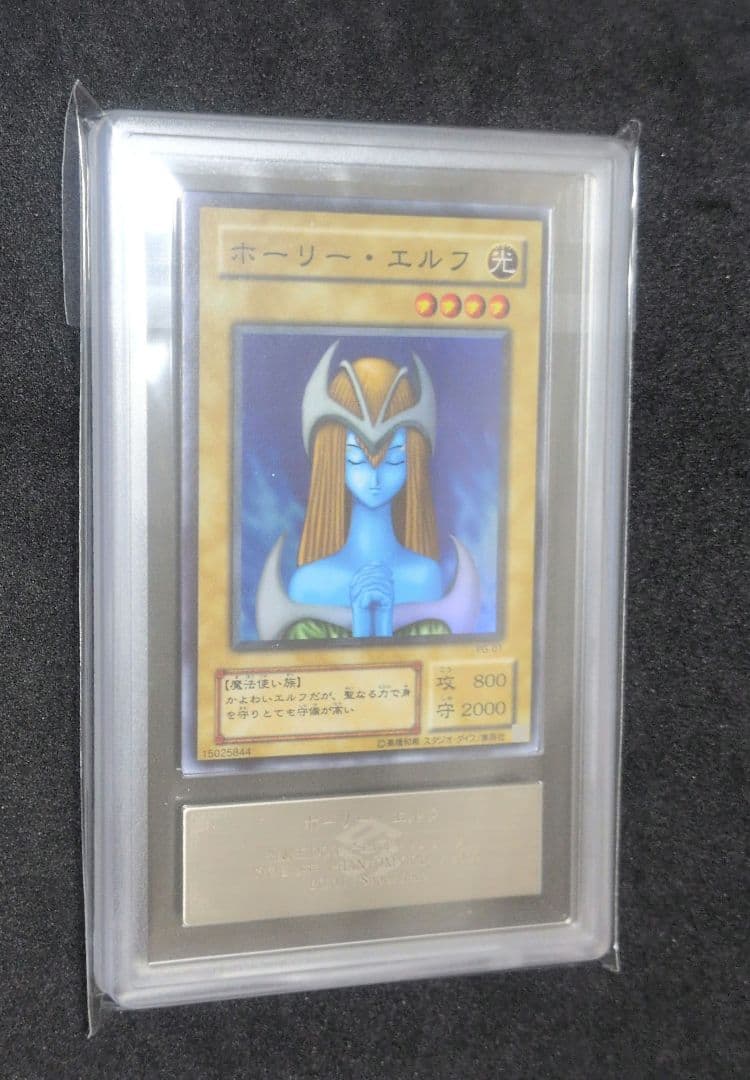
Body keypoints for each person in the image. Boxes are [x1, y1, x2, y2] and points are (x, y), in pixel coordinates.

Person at [254, 342, 480, 640]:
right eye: (356, 459)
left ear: (412, 463)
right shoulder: (309, 583)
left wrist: (382, 626)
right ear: (333, 461)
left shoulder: (424, 577)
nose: (375, 477)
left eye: (394, 459)